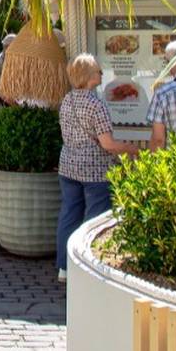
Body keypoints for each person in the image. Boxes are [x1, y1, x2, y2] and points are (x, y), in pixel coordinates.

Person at [56, 54, 138, 281]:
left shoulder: (67, 100)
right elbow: (108, 144)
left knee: (69, 215)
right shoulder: (96, 103)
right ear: (89, 75)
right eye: (99, 71)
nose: (102, 74)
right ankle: (89, 268)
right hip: (94, 168)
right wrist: (132, 149)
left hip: (69, 165)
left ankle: (64, 267)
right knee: (95, 219)